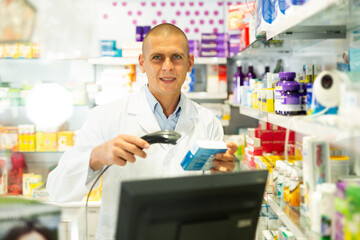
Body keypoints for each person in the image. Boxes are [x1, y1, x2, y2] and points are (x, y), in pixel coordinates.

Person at [46, 23, 238, 240]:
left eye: (176, 57)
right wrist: (96, 157)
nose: (167, 67)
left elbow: (212, 199)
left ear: (189, 63)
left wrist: (222, 175)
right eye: (157, 57)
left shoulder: (207, 121)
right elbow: (57, 189)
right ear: (142, 63)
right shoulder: (104, 117)